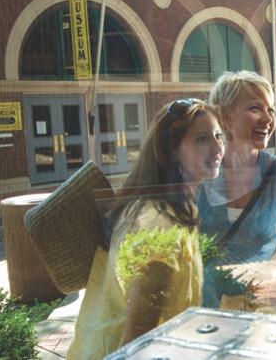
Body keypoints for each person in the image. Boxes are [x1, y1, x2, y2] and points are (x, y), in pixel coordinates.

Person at [67, 99, 225, 359]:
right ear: (172, 150)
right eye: (201, 139)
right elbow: (137, 339)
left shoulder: (176, 207)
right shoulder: (159, 226)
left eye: (218, 135)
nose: (218, 147)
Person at [197, 71, 276, 268]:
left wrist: (271, 272)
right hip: (208, 296)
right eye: (255, 108)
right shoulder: (198, 173)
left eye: (271, 110)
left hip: (264, 294)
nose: (268, 119)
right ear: (224, 116)